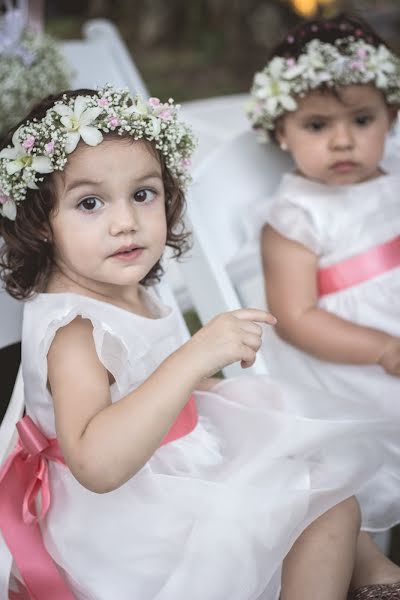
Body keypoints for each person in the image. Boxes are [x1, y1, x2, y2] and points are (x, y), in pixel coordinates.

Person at [0, 85, 397, 600]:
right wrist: (193, 358)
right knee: (312, 506)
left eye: (143, 195)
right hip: (129, 515)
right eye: (90, 203)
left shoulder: (126, 286)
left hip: (176, 460)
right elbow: (97, 465)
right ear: (42, 223)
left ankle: (375, 575)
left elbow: (149, 374)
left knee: (324, 479)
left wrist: (210, 380)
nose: (126, 223)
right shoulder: (75, 331)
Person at [245, 12, 400, 599]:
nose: (342, 140)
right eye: (316, 125)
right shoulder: (294, 216)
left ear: (391, 116)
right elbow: (298, 315)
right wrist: (382, 348)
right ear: (281, 131)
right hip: (347, 357)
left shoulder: (394, 179)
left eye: (362, 120)